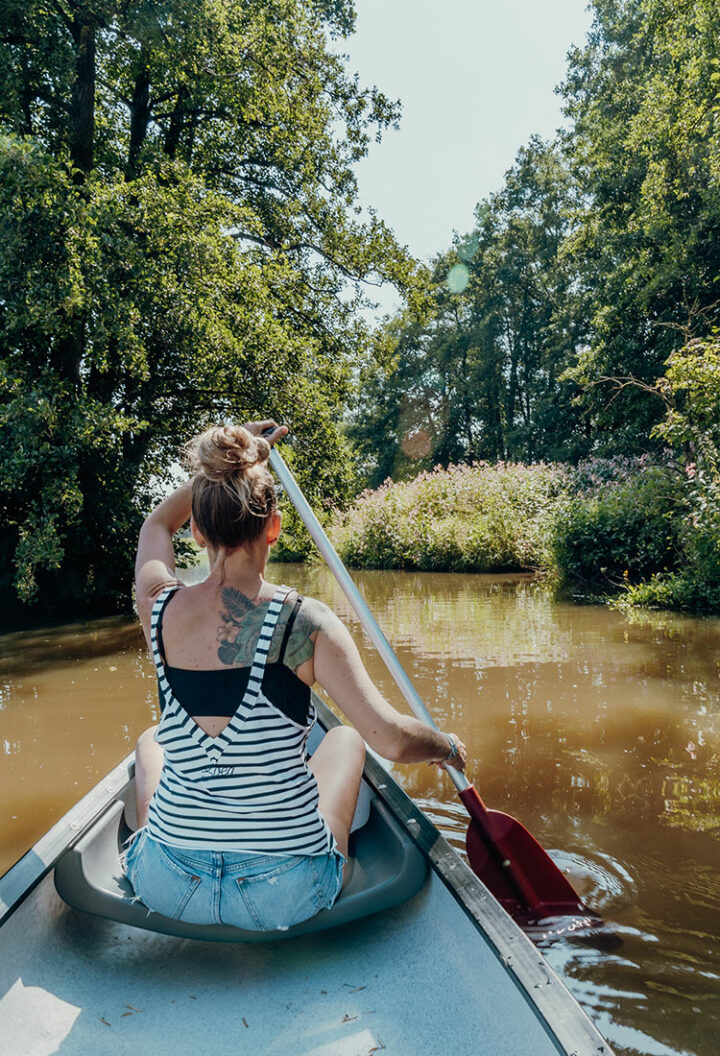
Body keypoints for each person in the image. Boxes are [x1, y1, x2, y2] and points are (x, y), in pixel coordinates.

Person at [127, 418, 468, 931]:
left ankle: (176, 837)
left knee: (151, 741)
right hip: (282, 894)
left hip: (169, 886)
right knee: (351, 739)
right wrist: (446, 746)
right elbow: (392, 740)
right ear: (275, 527)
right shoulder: (305, 622)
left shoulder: (157, 606)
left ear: (196, 529)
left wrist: (223, 464)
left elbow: (155, 526)